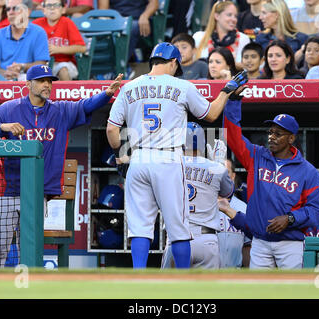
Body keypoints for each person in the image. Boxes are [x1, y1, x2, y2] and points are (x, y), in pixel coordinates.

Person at [106, 42, 248, 269]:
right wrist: (226, 91)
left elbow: (112, 130)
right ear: (173, 62)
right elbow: (211, 115)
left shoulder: (129, 86)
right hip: (168, 158)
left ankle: (138, 276)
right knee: (178, 227)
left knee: (140, 227)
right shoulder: (182, 86)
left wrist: (121, 157)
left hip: (139, 158)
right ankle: (183, 279)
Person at [0, 64, 123, 267]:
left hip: (36, 193)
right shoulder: (9, 109)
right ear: (28, 84)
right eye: (41, 81)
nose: (47, 85)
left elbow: (85, 105)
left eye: (49, 81)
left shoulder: (60, 110)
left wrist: (106, 94)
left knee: (30, 251)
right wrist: (2, 126)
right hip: (6, 192)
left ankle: (26, 293)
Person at [222, 107, 319, 269]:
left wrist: (291, 218)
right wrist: (234, 103)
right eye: (270, 132)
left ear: (291, 138)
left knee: (292, 292)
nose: (271, 137)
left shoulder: (308, 171)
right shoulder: (257, 156)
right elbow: (232, 135)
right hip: (260, 242)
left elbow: (316, 211)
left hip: (290, 244)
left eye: (278, 134)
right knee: (259, 292)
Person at [161, 123, 234, 269]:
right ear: (203, 144)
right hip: (206, 240)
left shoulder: (166, 166)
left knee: (170, 290)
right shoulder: (216, 168)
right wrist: (218, 163)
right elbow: (228, 193)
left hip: (177, 237)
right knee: (207, 291)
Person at [0, 0, 50, 80]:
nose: (11, 12)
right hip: (3, 80)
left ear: (27, 12)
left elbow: (41, 64)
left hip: (30, 79)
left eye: (16, 9)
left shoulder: (39, 33)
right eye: (8, 9)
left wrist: (22, 66)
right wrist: (5, 74)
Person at [32, 0, 86, 81]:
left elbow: (81, 48)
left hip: (65, 63)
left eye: (56, 5)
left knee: (62, 69)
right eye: (49, 5)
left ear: (63, 9)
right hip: (42, 63)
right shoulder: (36, 24)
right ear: (43, 10)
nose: (52, 9)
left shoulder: (67, 22)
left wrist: (58, 49)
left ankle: (67, 92)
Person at [193, 1, 251, 69]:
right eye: (229, 15)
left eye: (235, 16)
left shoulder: (243, 39)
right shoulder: (199, 37)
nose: (234, 19)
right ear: (217, 16)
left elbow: (247, 68)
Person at [218, 158, 251, 268]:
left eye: (226, 173)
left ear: (233, 176)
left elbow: (247, 246)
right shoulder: (202, 206)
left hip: (234, 274)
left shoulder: (243, 207)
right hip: (206, 275)